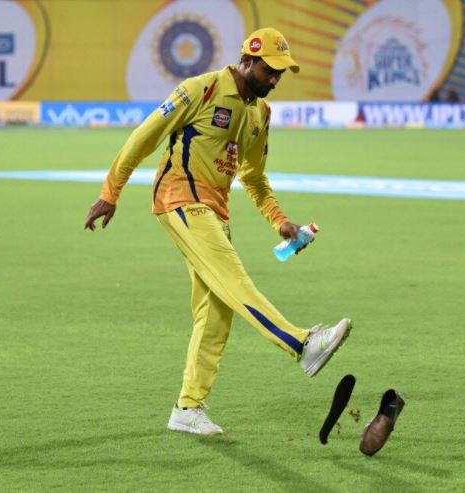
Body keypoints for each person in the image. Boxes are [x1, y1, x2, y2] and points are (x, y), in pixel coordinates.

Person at [83, 27, 352, 436]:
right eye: (269, 70)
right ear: (247, 60)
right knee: (233, 277)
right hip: (179, 200)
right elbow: (144, 137)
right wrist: (110, 192)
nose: (274, 79)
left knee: (216, 311)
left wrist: (281, 221)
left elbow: (254, 178)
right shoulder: (201, 89)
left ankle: (187, 407)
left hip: (216, 213)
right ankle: (302, 345)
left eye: (281, 73)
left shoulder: (260, 114)